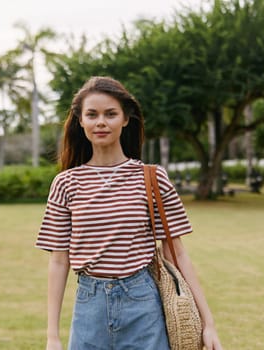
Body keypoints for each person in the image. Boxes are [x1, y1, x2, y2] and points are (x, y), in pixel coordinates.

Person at [35, 76, 223, 350]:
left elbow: (176, 253)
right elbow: (58, 261)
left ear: (125, 119)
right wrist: (53, 336)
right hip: (89, 307)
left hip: (143, 305)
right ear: (80, 121)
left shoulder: (152, 178)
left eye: (111, 114)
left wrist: (209, 323)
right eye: (92, 114)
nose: (101, 122)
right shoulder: (66, 183)